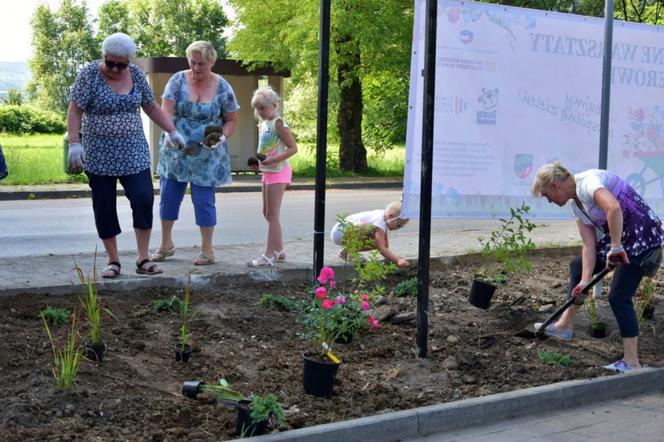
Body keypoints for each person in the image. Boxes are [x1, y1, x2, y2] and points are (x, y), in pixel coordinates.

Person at [67, 33, 185, 279]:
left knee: (143, 199)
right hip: (99, 154)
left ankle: (143, 258)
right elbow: (75, 108)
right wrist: (75, 143)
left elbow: (151, 106)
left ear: (129, 61)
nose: (115, 68)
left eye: (121, 64)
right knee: (104, 205)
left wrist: (172, 131)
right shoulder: (89, 74)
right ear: (104, 57)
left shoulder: (136, 74)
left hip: (134, 152)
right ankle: (113, 261)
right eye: (110, 62)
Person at [532, 162, 664, 372]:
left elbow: (613, 207)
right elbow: (589, 246)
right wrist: (584, 282)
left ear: (556, 186)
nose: (548, 200)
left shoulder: (588, 183)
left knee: (618, 297)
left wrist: (616, 246)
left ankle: (632, 362)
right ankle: (564, 326)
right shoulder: (576, 206)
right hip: (623, 240)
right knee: (578, 265)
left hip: (643, 237)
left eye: (547, 195)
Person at [152, 41, 239, 266]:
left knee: (204, 200)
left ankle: (207, 250)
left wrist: (222, 137)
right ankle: (165, 244)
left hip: (207, 152)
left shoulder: (223, 86)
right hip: (175, 147)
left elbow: (231, 119)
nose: (197, 68)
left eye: (202, 63)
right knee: (169, 195)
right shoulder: (177, 80)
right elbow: (166, 111)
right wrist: (171, 132)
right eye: (193, 62)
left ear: (212, 62)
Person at [246, 87, 298, 267]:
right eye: (257, 108)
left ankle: (269, 255)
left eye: (263, 108)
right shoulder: (265, 124)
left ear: (275, 105)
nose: (259, 112)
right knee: (267, 213)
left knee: (273, 215)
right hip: (268, 172)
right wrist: (258, 164)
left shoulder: (278, 123)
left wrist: (274, 160)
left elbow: (293, 148)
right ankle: (280, 249)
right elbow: (268, 149)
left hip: (279, 172)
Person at [330, 201, 411, 268]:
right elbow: (381, 248)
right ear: (390, 216)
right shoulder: (380, 221)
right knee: (372, 235)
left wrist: (389, 258)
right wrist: (398, 260)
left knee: (375, 241)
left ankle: (347, 251)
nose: (399, 227)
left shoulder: (382, 217)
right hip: (340, 231)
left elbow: (384, 241)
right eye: (399, 225)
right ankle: (351, 252)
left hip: (341, 233)